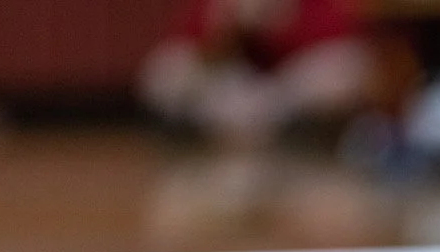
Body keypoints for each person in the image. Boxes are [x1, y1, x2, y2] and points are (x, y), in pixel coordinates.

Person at [140, 0, 376, 147]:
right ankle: (204, 132)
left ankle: (283, 133)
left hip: (288, 93)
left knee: (348, 67)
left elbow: (341, 42)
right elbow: (194, 51)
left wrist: (280, 27)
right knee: (166, 69)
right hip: (232, 90)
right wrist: (232, 29)